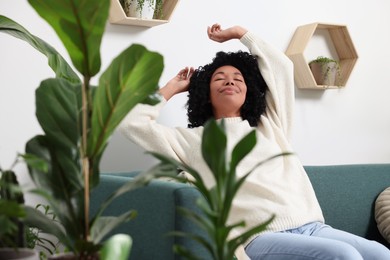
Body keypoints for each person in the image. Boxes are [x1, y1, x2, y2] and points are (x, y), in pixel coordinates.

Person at [120, 23, 390, 260]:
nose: (230, 82)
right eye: (219, 78)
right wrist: (171, 88)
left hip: (312, 227)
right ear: (205, 91)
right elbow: (132, 122)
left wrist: (240, 33)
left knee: (380, 253)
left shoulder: (271, 124)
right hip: (258, 237)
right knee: (344, 255)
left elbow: (282, 67)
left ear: (249, 89)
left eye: (238, 78)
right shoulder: (191, 141)